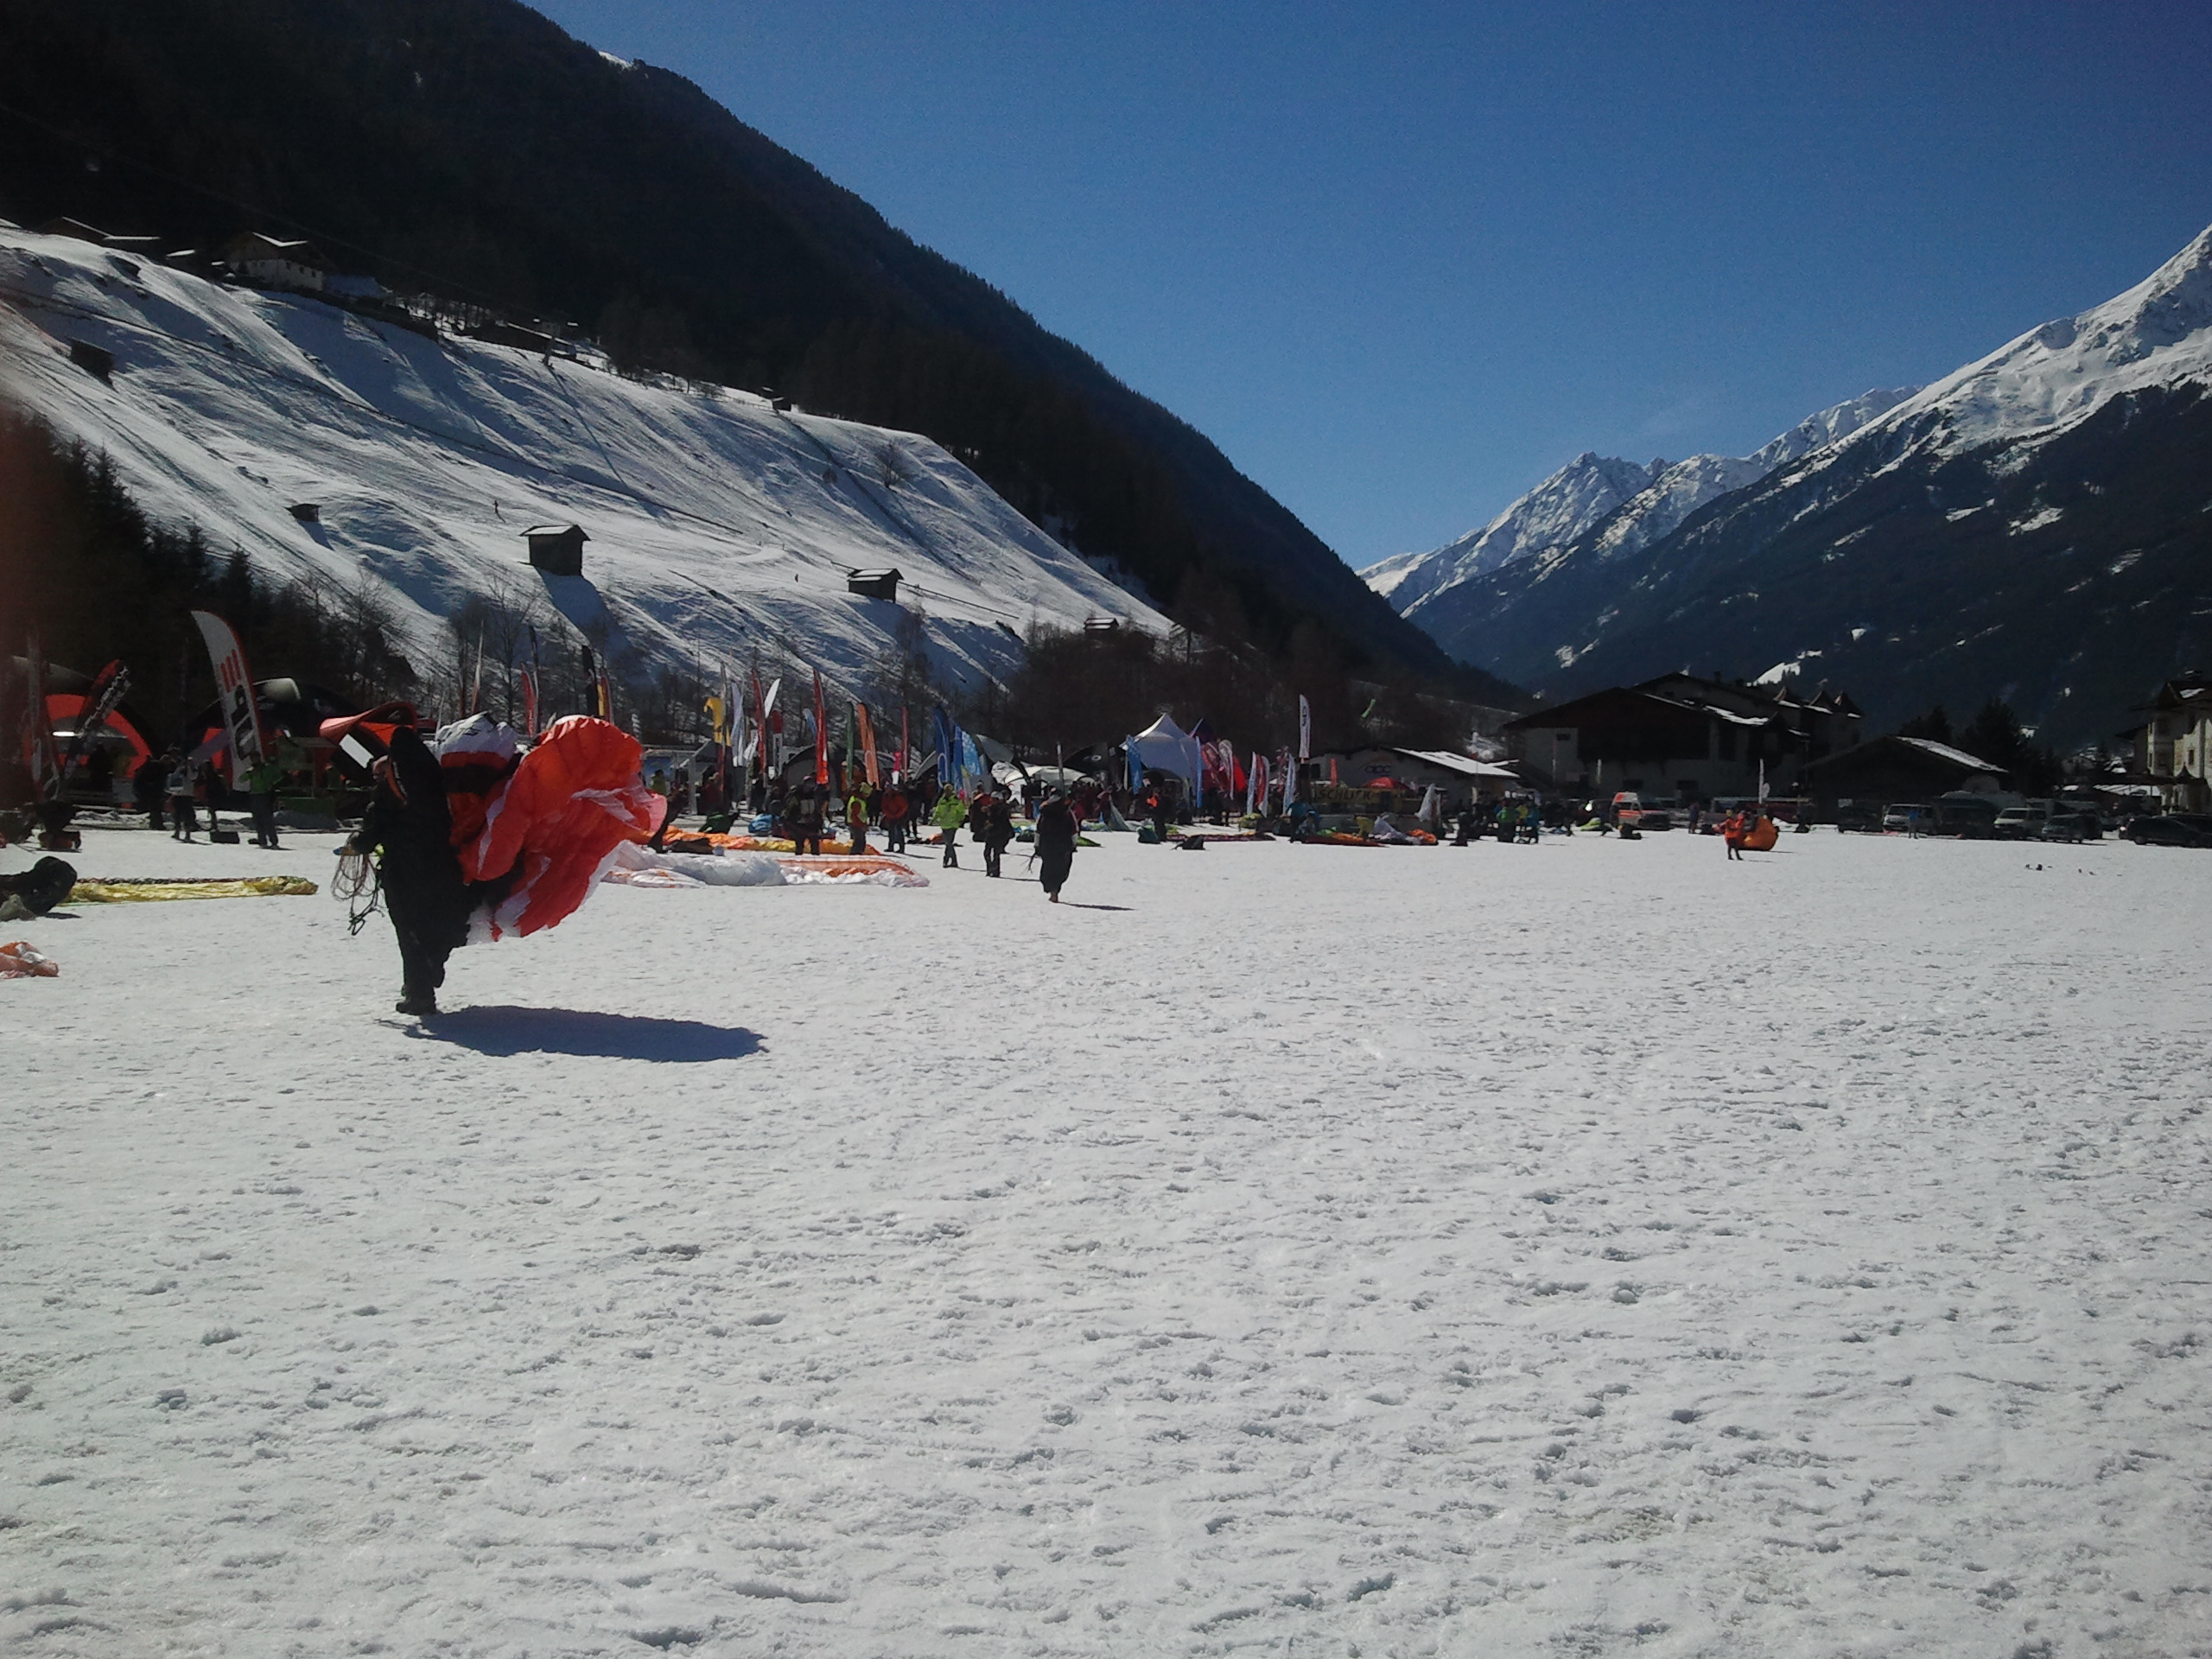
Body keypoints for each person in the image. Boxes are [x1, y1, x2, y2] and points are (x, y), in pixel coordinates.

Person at [343, 720, 471, 1016]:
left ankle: (419, 993)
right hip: (442, 871)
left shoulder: (386, 800)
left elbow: (370, 837)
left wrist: (357, 844)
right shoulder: (436, 793)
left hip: (403, 875)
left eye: (378, 775)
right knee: (433, 925)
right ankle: (430, 968)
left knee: (410, 933)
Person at [1034, 788, 1078, 900]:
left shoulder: (1044, 810)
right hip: (1063, 844)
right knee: (1061, 868)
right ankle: (1055, 891)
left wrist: (1037, 845)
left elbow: (1038, 830)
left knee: (1048, 866)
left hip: (1047, 844)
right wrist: (1074, 844)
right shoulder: (1067, 811)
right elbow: (1074, 829)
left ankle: (1050, 888)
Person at [243, 747, 285, 849]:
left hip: (264, 794)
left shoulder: (267, 768)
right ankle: (262, 840)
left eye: (255, 758)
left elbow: (280, 775)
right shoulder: (251, 770)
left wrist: (271, 783)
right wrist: (249, 774)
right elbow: (241, 779)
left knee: (267, 819)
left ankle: (273, 841)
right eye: (252, 758)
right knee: (257, 819)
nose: (253, 760)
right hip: (254, 794)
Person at [166, 750, 197, 842]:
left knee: (187, 814)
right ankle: (177, 830)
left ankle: (188, 833)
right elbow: (173, 777)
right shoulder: (177, 767)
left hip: (187, 794)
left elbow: (193, 777)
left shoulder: (192, 769)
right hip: (177, 793)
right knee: (176, 814)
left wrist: (189, 766)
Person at [931, 786, 966, 867]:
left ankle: (946, 860)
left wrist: (960, 820)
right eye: (946, 790)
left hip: (953, 825)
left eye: (949, 790)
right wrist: (933, 819)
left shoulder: (956, 801)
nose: (947, 792)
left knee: (948, 843)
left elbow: (961, 811)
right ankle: (953, 861)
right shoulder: (942, 800)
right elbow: (938, 811)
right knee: (948, 843)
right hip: (944, 824)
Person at [880, 779, 910, 854]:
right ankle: (891, 846)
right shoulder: (886, 796)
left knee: (898, 830)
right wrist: (889, 814)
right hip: (891, 816)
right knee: (891, 831)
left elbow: (904, 807)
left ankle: (901, 847)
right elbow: (884, 807)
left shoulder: (898, 796)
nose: (886, 790)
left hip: (900, 816)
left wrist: (897, 815)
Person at [845, 780, 870, 854]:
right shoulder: (857, 802)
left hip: (857, 824)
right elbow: (854, 816)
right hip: (856, 824)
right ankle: (855, 855)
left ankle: (856, 854)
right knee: (859, 842)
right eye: (866, 794)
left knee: (859, 841)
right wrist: (862, 825)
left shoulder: (857, 799)